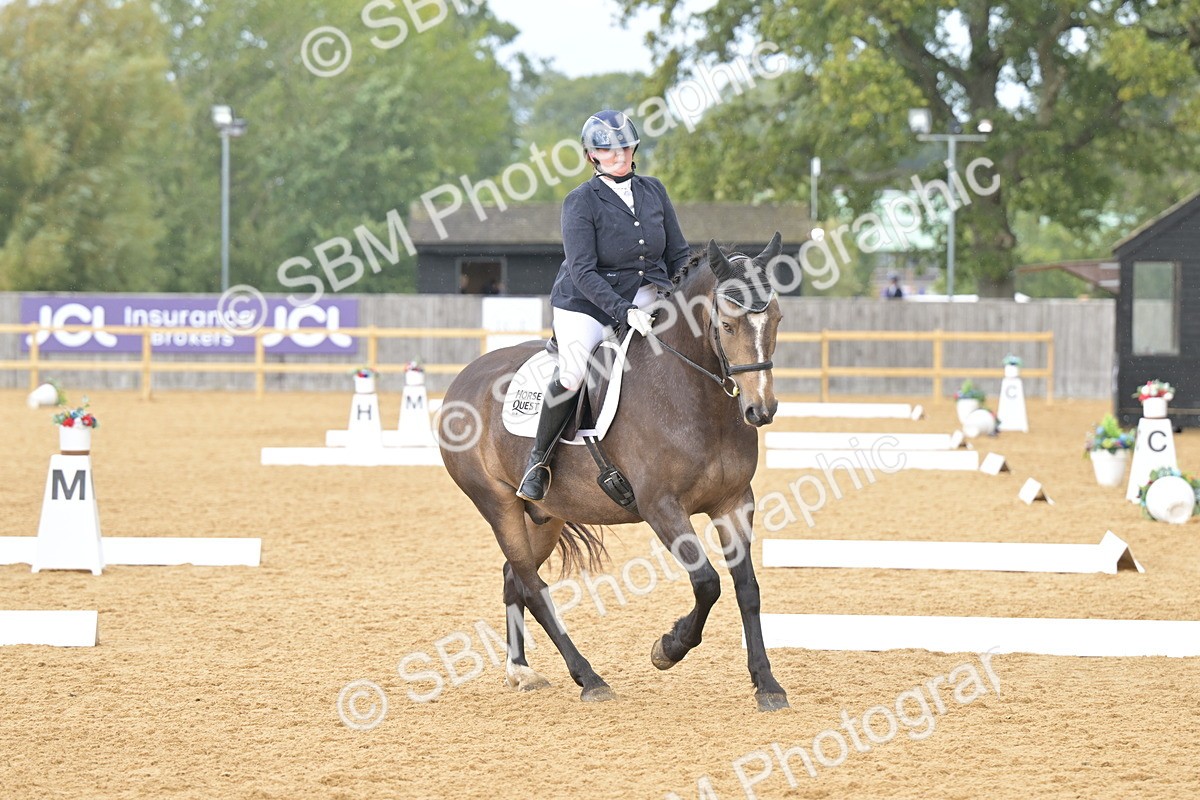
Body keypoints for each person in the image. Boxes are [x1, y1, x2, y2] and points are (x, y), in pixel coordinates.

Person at [516, 109, 690, 501]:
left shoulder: (654, 190)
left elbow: (678, 253)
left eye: (625, 147)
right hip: (586, 302)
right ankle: (538, 461)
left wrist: (685, 290)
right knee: (574, 374)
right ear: (592, 155)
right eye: (608, 151)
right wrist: (623, 311)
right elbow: (582, 270)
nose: (619, 155)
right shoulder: (580, 202)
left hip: (646, 291)